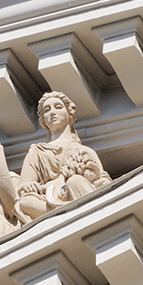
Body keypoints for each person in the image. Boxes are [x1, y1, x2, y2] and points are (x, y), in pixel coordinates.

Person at [16, 91, 110, 222]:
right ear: (43, 120)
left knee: (75, 181)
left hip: (75, 189)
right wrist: (28, 186)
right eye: (47, 110)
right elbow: (23, 186)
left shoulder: (83, 150)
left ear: (69, 113)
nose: (52, 112)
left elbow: (102, 180)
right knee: (25, 202)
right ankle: (63, 214)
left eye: (58, 107)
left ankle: (81, 214)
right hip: (47, 196)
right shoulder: (36, 152)